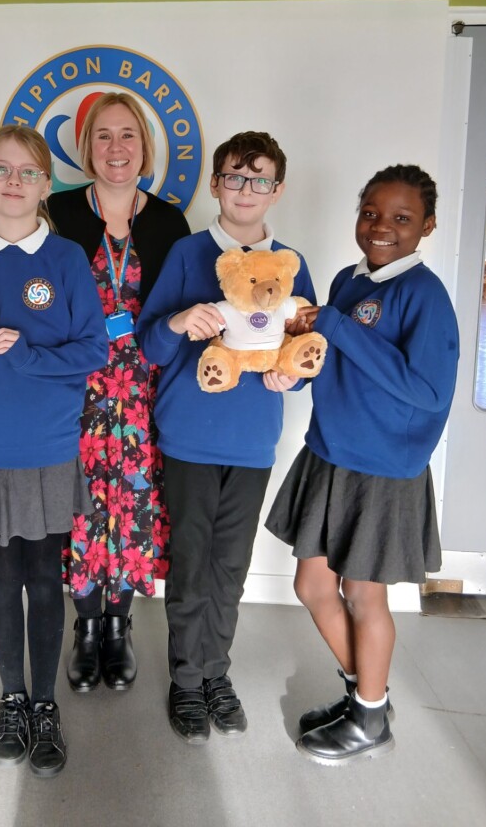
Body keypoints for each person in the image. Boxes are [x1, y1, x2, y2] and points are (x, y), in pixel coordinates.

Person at [265, 164, 459, 765]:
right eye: (371, 213)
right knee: (312, 584)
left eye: (401, 218)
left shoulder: (424, 295)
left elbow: (428, 391)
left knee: (363, 594)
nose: (381, 227)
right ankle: (367, 697)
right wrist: (294, 368)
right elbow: (331, 356)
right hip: (330, 453)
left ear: (427, 226)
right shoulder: (348, 282)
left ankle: (370, 717)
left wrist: (339, 326)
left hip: (382, 468)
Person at [136, 130, 316, 744]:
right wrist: (180, 321)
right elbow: (150, 344)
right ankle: (187, 680)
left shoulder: (290, 263)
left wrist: (290, 377)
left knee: (230, 566)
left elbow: (304, 351)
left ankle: (217, 671)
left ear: (277, 190)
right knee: (191, 564)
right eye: (235, 177)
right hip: (189, 436)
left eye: (259, 179)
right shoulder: (188, 254)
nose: (246, 189)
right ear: (215, 185)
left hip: (252, 440)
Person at [0, 125, 107, 777]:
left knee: (43, 578)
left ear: (45, 185)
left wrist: (27, 353)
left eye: (28, 172)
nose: (13, 182)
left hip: (48, 445)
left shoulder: (65, 259)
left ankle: (44, 705)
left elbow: (93, 349)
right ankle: (11, 699)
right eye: (1, 169)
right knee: (0, 577)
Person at [48, 91, 190, 692]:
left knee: (133, 504)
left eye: (127, 134)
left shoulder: (168, 222)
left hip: (142, 391)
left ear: (144, 147)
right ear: (87, 147)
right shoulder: (57, 211)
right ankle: (85, 626)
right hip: (77, 385)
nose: (116, 147)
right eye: (103, 135)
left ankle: (117, 626)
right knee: (82, 506)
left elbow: (181, 310)